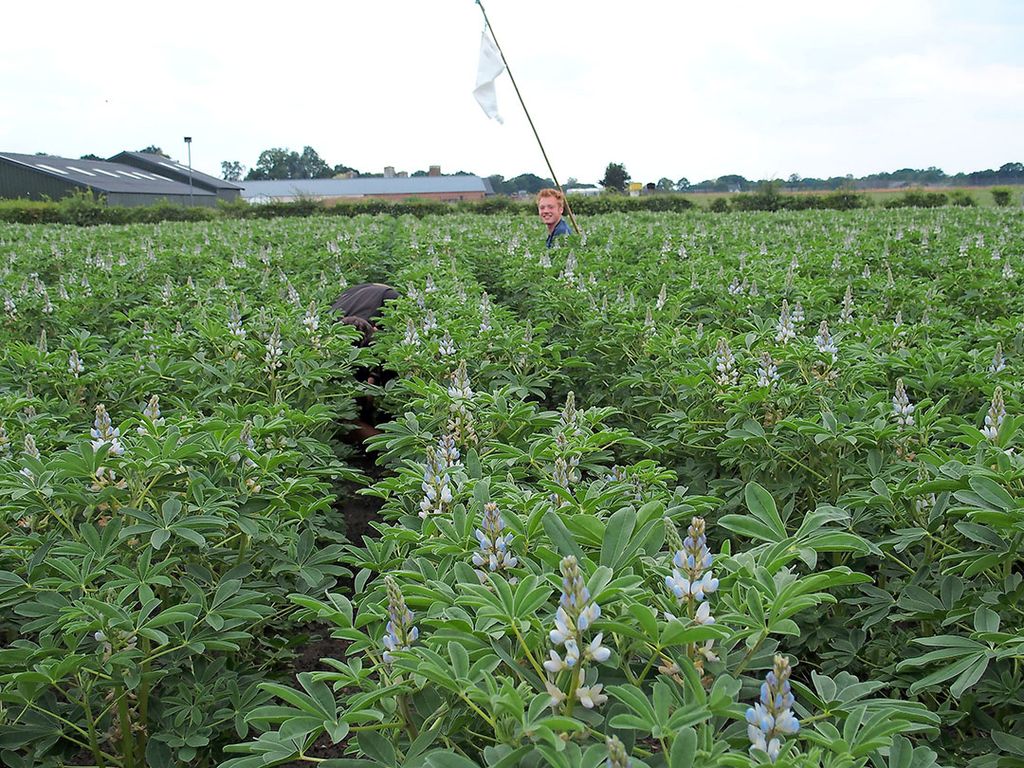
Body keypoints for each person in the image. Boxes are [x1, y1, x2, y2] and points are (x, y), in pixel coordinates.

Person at [331, 283, 399, 440]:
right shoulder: (328, 340)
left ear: (375, 328)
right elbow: (344, 420)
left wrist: (373, 379)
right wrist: (386, 443)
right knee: (352, 395)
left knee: (391, 362)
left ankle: (371, 413)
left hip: (379, 293)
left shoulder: (389, 303)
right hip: (356, 293)